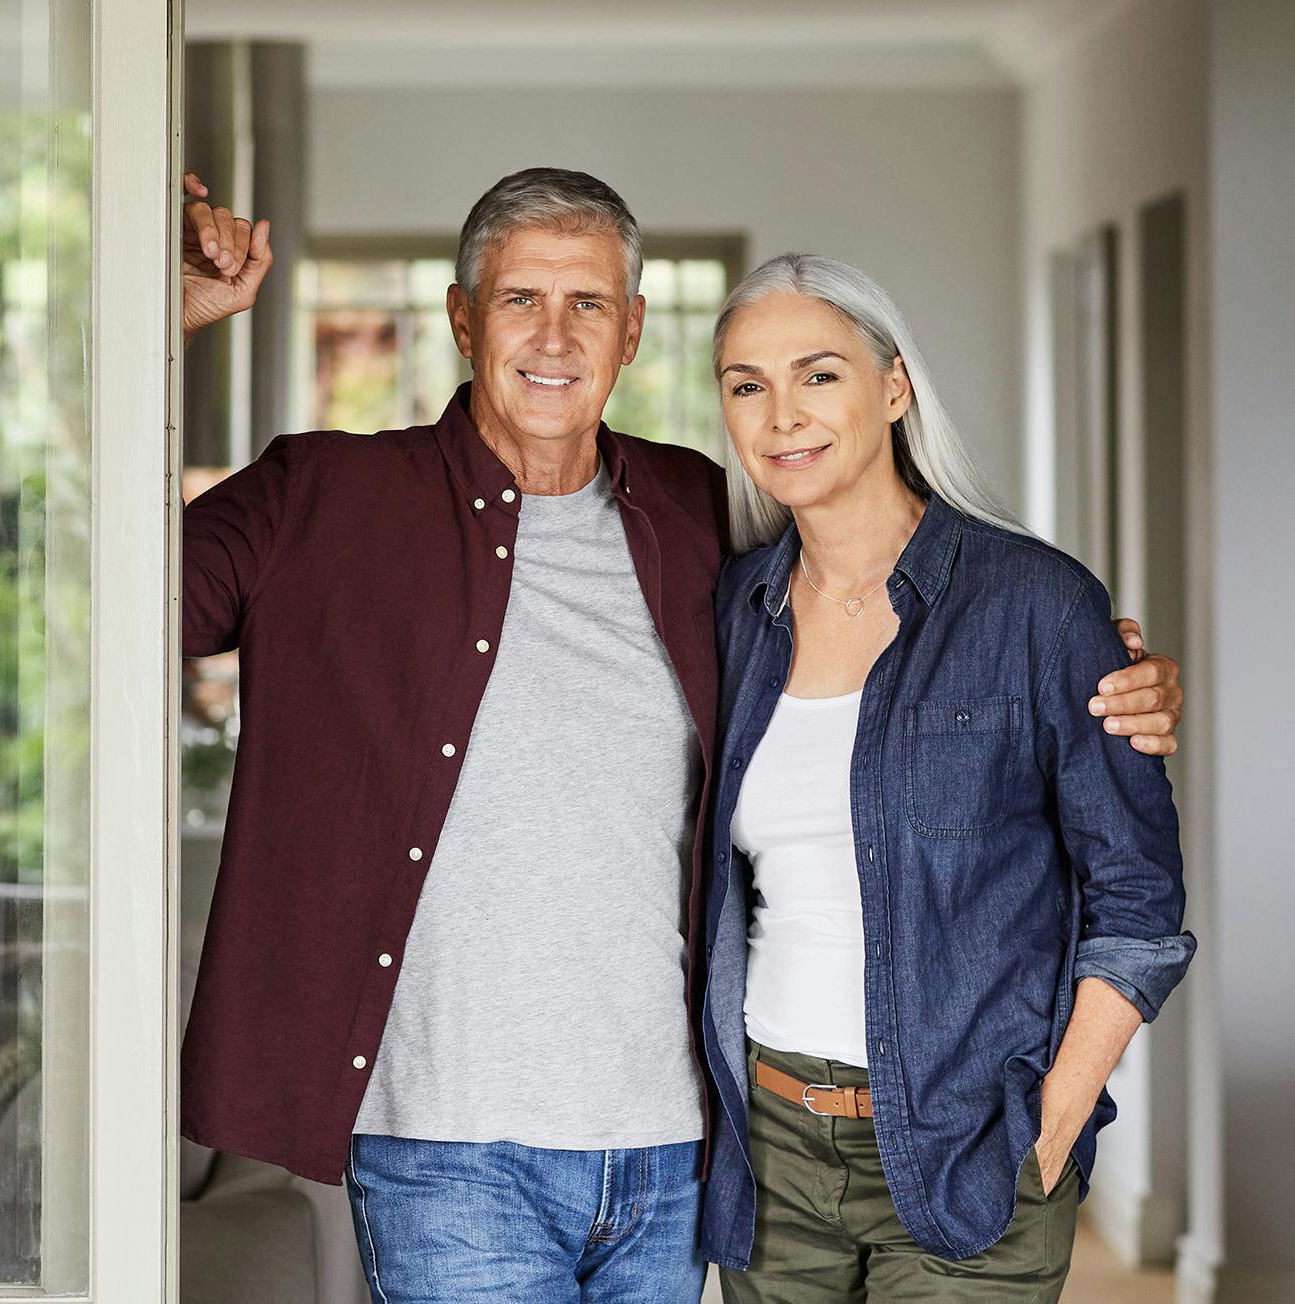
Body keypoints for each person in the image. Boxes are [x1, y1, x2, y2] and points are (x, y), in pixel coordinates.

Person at [179, 171, 1184, 1303]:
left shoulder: (701, 519)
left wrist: (1106, 673)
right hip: (453, 1149)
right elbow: (119, 595)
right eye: (519, 299)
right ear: (462, 319)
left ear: (632, 331)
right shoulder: (320, 497)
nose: (553, 337)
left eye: (589, 303)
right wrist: (160, 333)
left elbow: (954, 681)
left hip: (677, 1147)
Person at [697, 255, 1194, 1303]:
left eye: (818, 373)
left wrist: (1055, 1117)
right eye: (746, 383)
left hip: (972, 1148)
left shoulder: (1034, 604)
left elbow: (1138, 897)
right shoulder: (731, 612)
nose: (781, 414)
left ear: (893, 387)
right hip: (771, 1152)